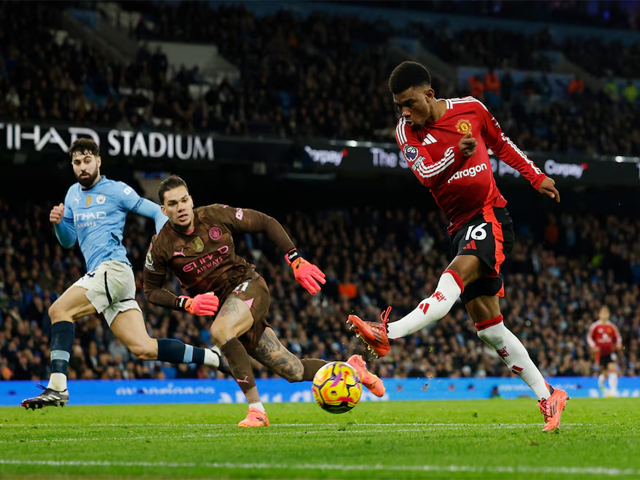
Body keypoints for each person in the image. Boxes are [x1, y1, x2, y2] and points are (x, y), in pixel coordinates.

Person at [346, 61, 569, 432]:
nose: (404, 111)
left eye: (410, 102)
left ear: (429, 94)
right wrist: (458, 155)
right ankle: (549, 395)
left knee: (449, 282)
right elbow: (428, 176)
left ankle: (390, 333)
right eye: (399, 105)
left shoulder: (472, 109)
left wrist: (536, 176)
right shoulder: (406, 131)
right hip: (459, 226)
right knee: (489, 329)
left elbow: (501, 144)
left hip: (490, 216)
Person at [142, 175, 385, 427]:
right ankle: (354, 370)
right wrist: (186, 303)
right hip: (228, 309)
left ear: (191, 200)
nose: (180, 207)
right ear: (163, 209)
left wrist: (295, 259)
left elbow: (265, 222)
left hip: (248, 286)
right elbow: (151, 291)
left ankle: (256, 410)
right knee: (294, 370)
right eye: (173, 204)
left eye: (184, 200)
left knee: (220, 331)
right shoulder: (161, 246)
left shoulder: (214, 215)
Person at [21, 139, 224, 410]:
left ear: (98, 161)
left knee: (59, 311)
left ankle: (57, 386)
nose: (83, 166)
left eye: (87, 160)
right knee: (144, 348)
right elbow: (69, 241)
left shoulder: (116, 190)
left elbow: (154, 210)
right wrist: (59, 224)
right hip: (105, 276)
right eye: (77, 162)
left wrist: (168, 244)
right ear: (72, 165)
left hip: (113, 270)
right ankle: (212, 358)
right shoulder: (71, 195)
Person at [587, 305, 622, 397]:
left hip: (610, 351)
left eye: (606, 313)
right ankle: (602, 385)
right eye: (602, 313)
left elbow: (617, 336)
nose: (604, 315)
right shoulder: (595, 326)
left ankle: (613, 391)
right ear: (599, 315)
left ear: (608, 315)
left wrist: (618, 344)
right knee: (604, 373)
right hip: (600, 352)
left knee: (612, 368)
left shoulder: (611, 326)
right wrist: (594, 346)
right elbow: (589, 337)